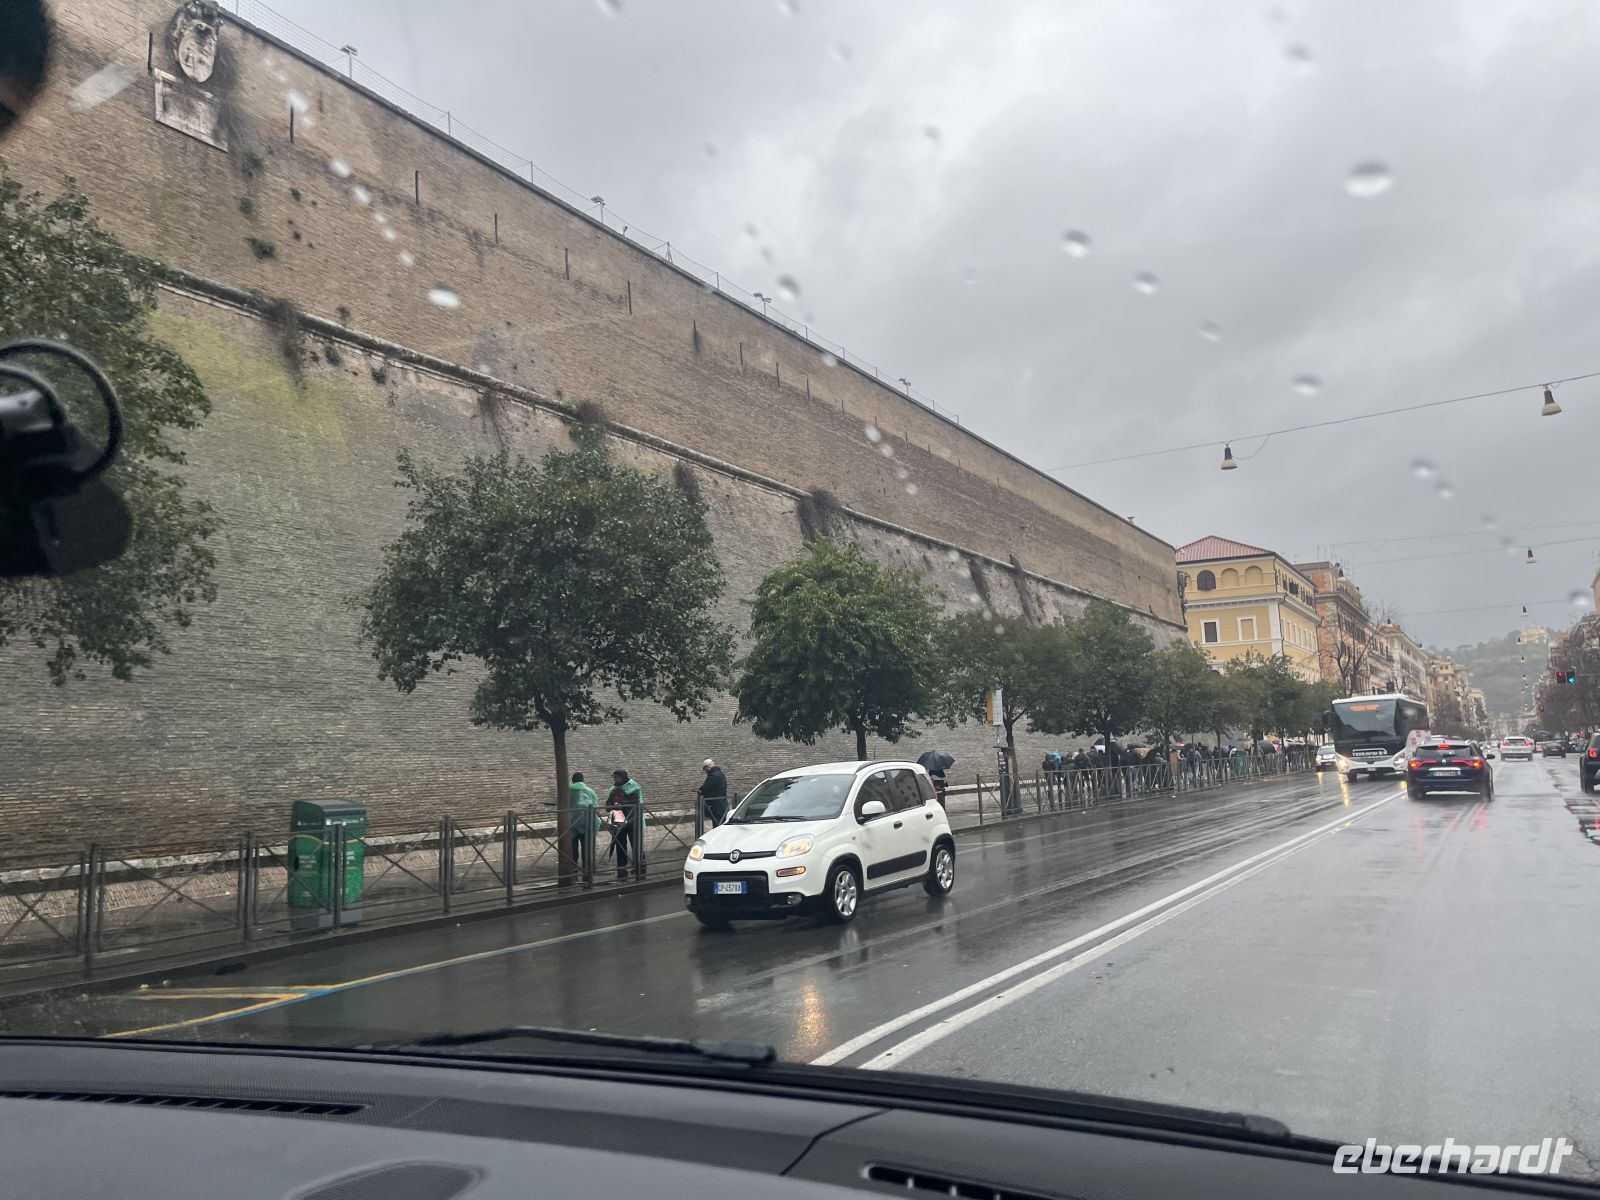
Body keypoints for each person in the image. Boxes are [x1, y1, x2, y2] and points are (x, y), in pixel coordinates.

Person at [606, 768, 644, 878]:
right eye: (614, 778)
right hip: (619, 821)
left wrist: (620, 804)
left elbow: (635, 802)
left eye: (617, 777)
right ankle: (622, 869)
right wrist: (612, 806)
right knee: (620, 845)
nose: (615, 780)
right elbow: (608, 803)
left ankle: (640, 867)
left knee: (636, 844)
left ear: (623, 778)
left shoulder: (634, 788)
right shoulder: (614, 789)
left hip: (633, 820)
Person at [568, 771, 600, 877]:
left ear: (573, 780)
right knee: (587, 848)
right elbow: (595, 806)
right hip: (588, 823)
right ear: (583, 780)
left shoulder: (567, 791)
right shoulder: (590, 791)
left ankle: (573, 869)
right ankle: (587, 870)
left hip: (571, 824)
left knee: (572, 848)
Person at [698, 758, 730, 827]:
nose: (705, 771)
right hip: (722, 803)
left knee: (717, 825)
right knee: (722, 823)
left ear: (707, 767)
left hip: (716, 805)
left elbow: (706, 788)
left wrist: (700, 791)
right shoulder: (721, 774)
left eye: (705, 769)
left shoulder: (713, 775)